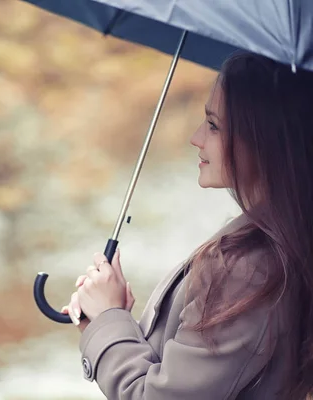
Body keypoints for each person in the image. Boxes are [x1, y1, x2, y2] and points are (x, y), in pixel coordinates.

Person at [62, 52, 313, 399]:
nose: (196, 138)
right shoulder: (285, 240)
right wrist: (112, 321)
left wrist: (106, 317)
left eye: (213, 125)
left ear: (264, 137)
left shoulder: (247, 269)